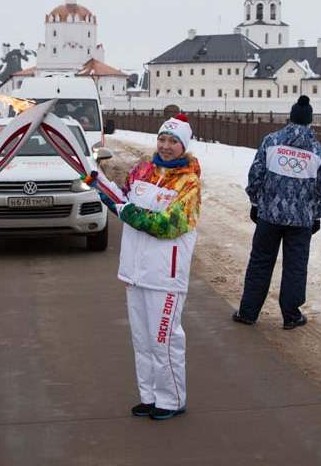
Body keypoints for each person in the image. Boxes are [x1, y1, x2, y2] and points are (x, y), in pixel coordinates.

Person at [115, 113, 201, 420]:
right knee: (142, 341)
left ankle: (172, 399)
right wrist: (99, 186)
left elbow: (169, 225)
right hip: (135, 271)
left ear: (184, 145)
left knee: (164, 340)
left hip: (165, 275)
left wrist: (129, 213)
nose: (165, 146)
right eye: (162, 139)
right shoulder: (142, 171)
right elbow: (120, 199)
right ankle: (149, 396)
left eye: (173, 141)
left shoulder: (189, 183)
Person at [233, 96, 321, 329]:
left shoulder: (271, 141)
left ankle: (248, 313)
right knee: (295, 267)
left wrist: (255, 203)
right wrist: (317, 216)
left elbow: (255, 175)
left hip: (269, 216)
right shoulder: (318, 151)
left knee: (260, 262)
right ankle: (291, 315)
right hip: (301, 221)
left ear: (290, 118)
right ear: (309, 121)